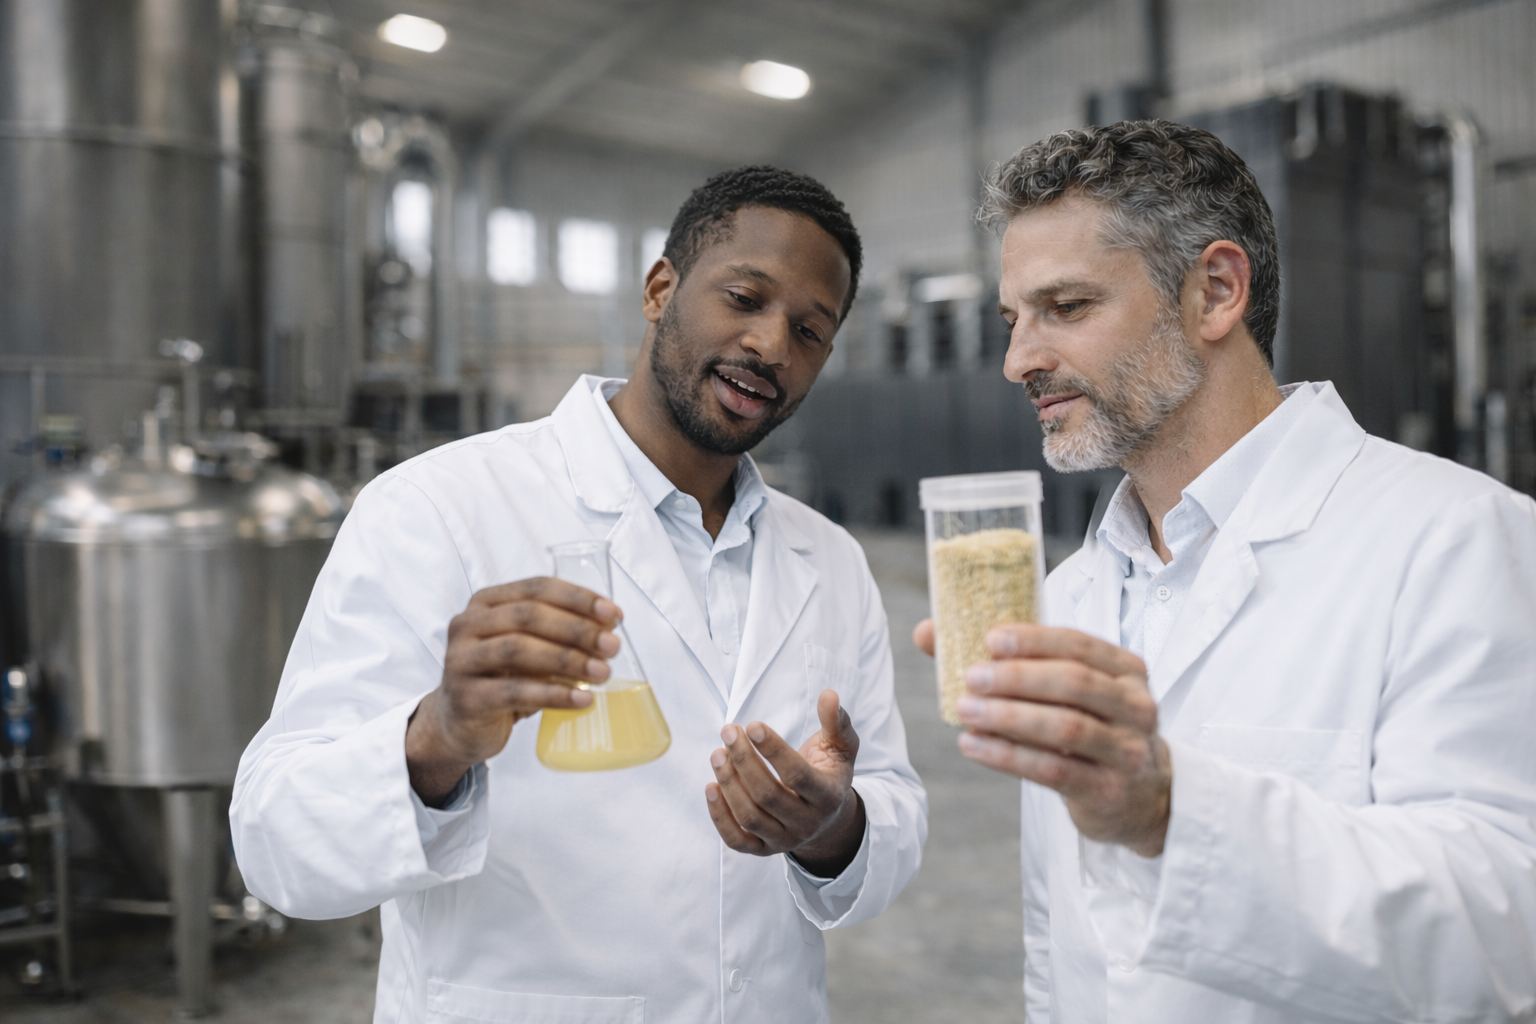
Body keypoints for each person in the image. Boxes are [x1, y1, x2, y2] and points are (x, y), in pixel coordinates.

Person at [232, 166, 926, 1024]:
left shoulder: (829, 557)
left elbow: (893, 807)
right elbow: (275, 840)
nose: (772, 346)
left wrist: (830, 829)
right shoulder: (440, 507)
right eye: (744, 297)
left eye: (810, 330)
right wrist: (438, 738)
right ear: (660, 289)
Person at [915, 121, 1536, 1022]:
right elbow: (1060, 935)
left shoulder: (1459, 540)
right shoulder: (1072, 594)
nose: (1020, 360)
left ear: (1214, 291)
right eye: (1014, 320)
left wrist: (1173, 811)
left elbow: (1507, 929)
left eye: (1068, 307)